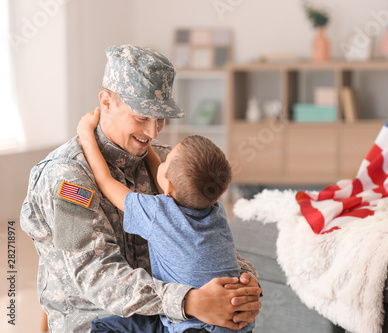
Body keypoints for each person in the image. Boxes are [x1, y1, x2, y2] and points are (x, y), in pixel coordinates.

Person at [20, 44, 261, 332]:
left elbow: (201, 237)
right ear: (106, 103)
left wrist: (242, 286)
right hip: (98, 320)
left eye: (160, 119)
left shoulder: (167, 164)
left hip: (170, 318)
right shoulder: (68, 178)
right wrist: (190, 302)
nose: (153, 132)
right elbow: (95, 275)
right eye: (142, 118)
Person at [76, 108, 254, 333]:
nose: (162, 158)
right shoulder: (215, 210)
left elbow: (105, 181)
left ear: (167, 185)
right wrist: (145, 143)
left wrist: (85, 132)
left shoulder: (157, 213)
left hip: (193, 326)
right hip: (235, 323)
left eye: (167, 159)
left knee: (103, 327)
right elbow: (170, 184)